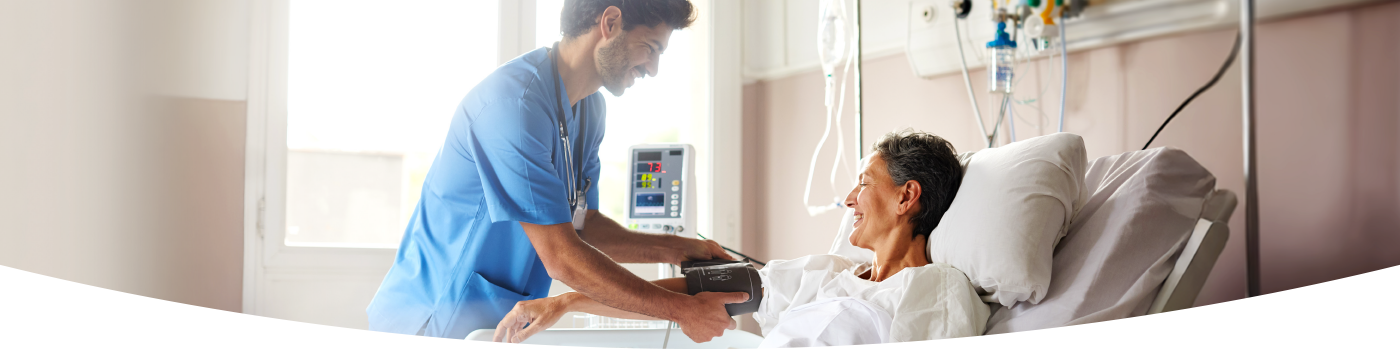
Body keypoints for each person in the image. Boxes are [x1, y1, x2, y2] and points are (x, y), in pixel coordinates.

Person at [366, 0, 748, 341]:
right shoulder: (513, 105)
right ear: (610, 23)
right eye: (650, 48)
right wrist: (682, 310)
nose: (653, 68)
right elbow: (562, 256)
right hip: (429, 316)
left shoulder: (590, 111)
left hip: (497, 321)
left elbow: (583, 225)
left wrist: (681, 249)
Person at [493, 130, 992, 346]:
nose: (849, 200)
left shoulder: (936, 291)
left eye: (863, 184)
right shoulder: (824, 273)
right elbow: (698, 292)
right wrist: (568, 303)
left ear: (907, 197)